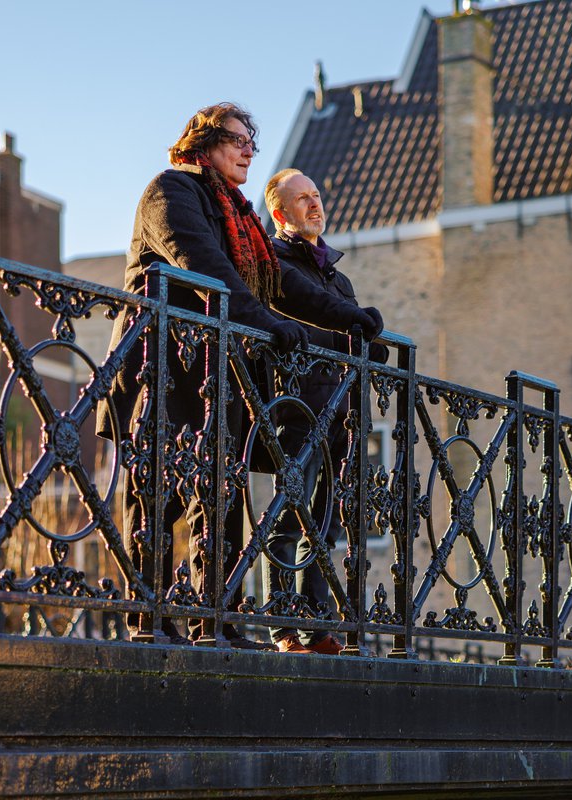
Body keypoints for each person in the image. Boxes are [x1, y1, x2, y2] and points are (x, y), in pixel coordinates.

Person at [97, 104, 379, 649]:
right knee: (157, 494)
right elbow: (208, 269)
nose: (249, 149)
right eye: (238, 139)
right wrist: (269, 324)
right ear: (204, 142)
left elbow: (278, 283)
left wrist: (352, 320)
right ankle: (147, 620)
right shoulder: (171, 191)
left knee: (220, 496)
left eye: (253, 141)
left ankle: (215, 621)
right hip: (163, 365)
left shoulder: (240, 214)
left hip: (214, 371)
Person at [262, 168, 387, 655]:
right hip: (298, 404)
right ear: (279, 214)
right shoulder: (273, 263)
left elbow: (355, 342)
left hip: (341, 413)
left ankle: (318, 625)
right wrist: (348, 338)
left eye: (316, 195)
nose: (314, 205)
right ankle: (282, 626)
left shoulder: (339, 278)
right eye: (301, 199)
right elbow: (291, 326)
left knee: (327, 523)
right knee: (289, 514)